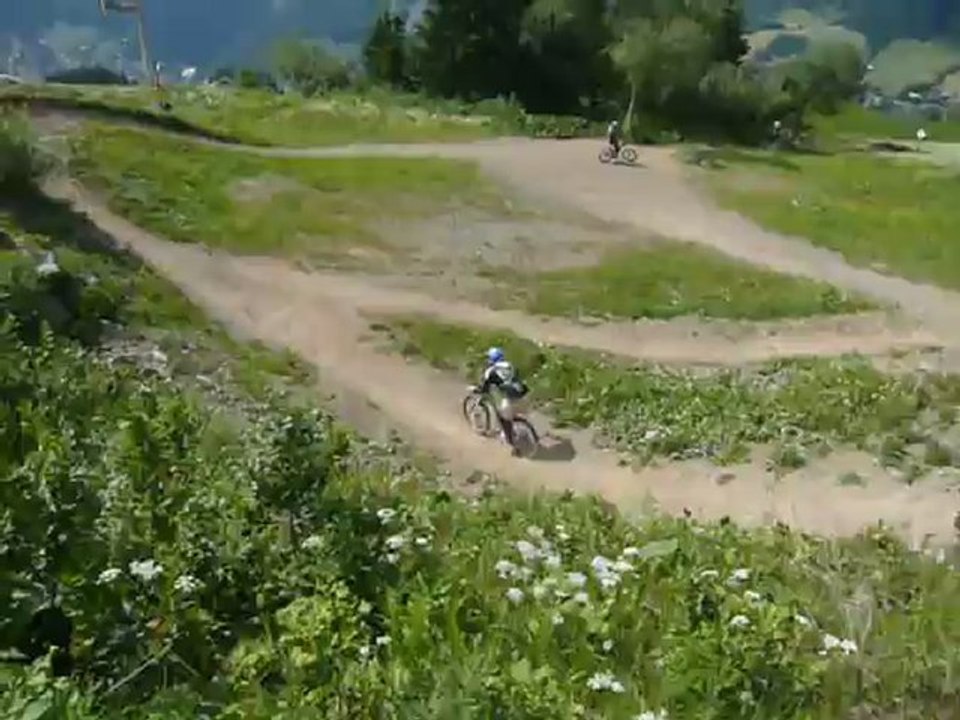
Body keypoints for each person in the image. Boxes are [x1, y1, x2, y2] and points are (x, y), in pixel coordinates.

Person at [477, 346, 529, 455]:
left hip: (511, 400)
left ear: (491, 359)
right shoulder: (510, 365)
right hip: (525, 397)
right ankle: (523, 431)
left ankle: (512, 443)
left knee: (503, 417)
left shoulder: (491, 371)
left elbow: (484, 388)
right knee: (515, 413)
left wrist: (480, 391)